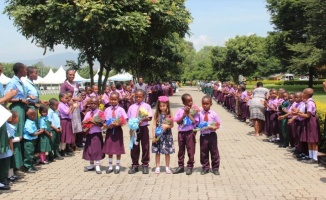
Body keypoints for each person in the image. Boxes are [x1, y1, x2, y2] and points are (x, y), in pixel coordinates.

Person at [4, 63, 29, 171]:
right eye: (25, 69)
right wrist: (20, 100)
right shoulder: (12, 83)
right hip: (17, 108)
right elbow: (6, 98)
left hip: (22, 108)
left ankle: (20, 162)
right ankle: (15, 165)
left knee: (21, 134)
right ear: (20, 70)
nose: (26, 71)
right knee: (17, 135)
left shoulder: (20, 82)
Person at [127, 89, 153, 174]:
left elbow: (149, 118)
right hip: (134, 130)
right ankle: (135, 165)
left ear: (144, 97)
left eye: (140, 97)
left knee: (145, 146)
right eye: (136, 96)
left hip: (144, 128)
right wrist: (131, 127)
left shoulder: (147, 106)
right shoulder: (131, 107)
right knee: (134, 147)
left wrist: (142, 119)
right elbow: (128, 118)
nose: (138, 98)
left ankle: (145, 164)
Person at [173, 93, 199, 175]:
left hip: (190, 133)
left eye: (191, 101)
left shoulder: (194, 111)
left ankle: (190, 166)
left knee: (191, 150)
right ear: (183, 103)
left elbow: (195, 122)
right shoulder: (180, 111)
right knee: (181, 150)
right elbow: (178, 122)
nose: (190, 103)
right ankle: (181, 166)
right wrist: (184, 115)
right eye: (187, 101)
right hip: (181, 133)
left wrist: (188, 114)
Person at [103, 92, 128, 174]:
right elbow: (104, 120)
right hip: (109, 131)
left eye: (115, 99)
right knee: (109, 149)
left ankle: (117, 165)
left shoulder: (121, 109)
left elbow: (125, 120)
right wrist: (105, 125)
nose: (113, 101)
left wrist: (119, 123)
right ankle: (110, 166)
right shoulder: (107, 109)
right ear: (109, 99)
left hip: (117, 130)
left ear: (118, 100)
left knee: (118, 149)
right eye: (111, 99)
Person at [295, 88, 320, 164]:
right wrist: (298, 112)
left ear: (306, 94)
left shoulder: (310, 103)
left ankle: (315, 158)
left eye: (303, 92)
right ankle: (310, 156)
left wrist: (298, 113)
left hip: (311, 122)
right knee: (309, 140)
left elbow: (308, 115)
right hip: (307, 122)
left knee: (313, 140)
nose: (302, 94)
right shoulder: (307, 102)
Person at [60, 69, 83, 150]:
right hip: (69, 107)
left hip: (76, 106)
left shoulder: (76, 84)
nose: (72, 76)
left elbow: (78, 93)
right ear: (66, 75)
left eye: (73, 75)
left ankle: (74, 143)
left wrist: (79, 98)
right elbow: (62, 96)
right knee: (71, 125)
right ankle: (69, 145)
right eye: (70, 74)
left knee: (76, 125)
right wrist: (75, 99)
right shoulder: (64, 85)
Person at [198, 96, 221, 175]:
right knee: (203, 151)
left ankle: (215, 168)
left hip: (212, 135)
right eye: (203, 104)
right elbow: (197, 124)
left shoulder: (214, 114)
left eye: (207, 104)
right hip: (203, 135)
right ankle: (205, 167)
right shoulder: (200, 113)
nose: (205, 105)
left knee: (214, 151)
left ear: (211, 104)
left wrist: (213, 127)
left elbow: (218, 124)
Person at [151, 96, 174, 174]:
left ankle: (167, 167)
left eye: (164, 106)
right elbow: (154, 125)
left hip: (167, 136)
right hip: (158, 136)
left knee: (167, 152)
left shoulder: (169, 114)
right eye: (160, 106)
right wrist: (153, 136)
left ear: (167, 105)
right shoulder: (157, 114)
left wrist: (167, 126)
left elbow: (172, 125)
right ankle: (157, 167)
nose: (162, 107)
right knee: (157, 152)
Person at [82, 97, 104, 174]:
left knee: (97, 150)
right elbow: (84, 122)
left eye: (95, 103)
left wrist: (93, 122)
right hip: (89, 133)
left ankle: (97, 165)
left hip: (96, 133)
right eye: (91, 103)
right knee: (90, 149)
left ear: (98, 104)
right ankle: (91, 165)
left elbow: (101, 124)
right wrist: (86, 122)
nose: (93, 105)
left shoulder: (100, 112)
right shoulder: (88, 113)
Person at [23, 108, 43, 173]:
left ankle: (31, 165)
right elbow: (32, 133)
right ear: (32, 116)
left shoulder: (32, 122)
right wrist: (40, 132)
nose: (35, 117)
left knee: (31, 153)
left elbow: (34, 131)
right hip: (29, 141)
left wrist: (37, 130)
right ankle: (27, 167)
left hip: (33, 141)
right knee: (28, 154)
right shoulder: (28, 123)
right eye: (35, 116)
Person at [58, 92, 75, 157]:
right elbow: (67, 113)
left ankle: (64, 150)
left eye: (68, 98)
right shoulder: (61, 105)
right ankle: (62, 151)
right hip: (64, 121)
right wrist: (71, 106)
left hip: (68, 121)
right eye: (66, 98)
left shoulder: (65, 104)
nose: (67, 99)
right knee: (63, 136)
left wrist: (73, 107)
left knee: (66, 136)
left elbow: (70, 112)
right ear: (61, 98)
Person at [6, 111, 20, 183]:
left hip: (10, 147)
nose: (18, 119)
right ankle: (8, 176)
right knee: (9, 162)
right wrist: (18, 139)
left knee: (11, 162)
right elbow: (10, 139)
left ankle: (11, 175)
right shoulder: (9, 126)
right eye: (17, 117)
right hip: (9, 147)